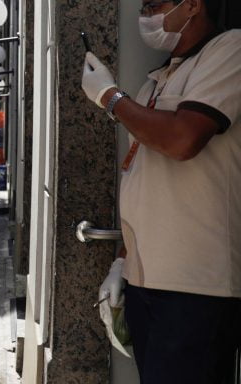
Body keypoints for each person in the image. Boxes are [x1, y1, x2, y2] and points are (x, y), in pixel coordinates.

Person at [81, 1, 241, 382]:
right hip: (145, 283)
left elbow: (184, 139)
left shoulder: (230, 50)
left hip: (195, 289)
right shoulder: (157, 80)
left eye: (156, 4)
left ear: (192, 6)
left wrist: (111, 98)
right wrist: (122, 262)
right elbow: (144, 178)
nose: (146, 13)